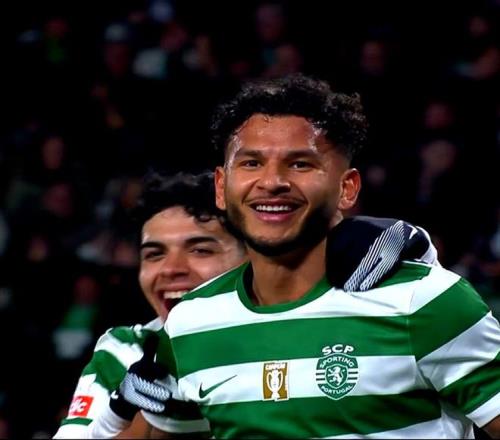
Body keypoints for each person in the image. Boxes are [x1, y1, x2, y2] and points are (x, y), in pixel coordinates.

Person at [140, 74, 500, 438]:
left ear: (347, 188)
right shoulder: (190, 321)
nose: (272, 182)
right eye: (251, 163)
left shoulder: (422, 301)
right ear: (221, 187)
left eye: (300, 164)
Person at [52, 170, 248, 438]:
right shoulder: (124, 352)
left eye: (200, 250)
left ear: (251, 259)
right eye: (154, 254)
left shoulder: (293, 339)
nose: (170, 269)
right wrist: (115, 416)